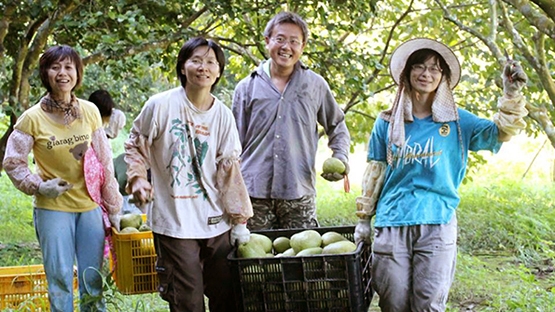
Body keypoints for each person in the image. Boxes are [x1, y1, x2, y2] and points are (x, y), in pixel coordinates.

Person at [353, 38, 528, 311]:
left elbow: (500, 132)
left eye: (435, 69)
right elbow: (375, 171)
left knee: (429, 305)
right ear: (407, 73)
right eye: (419, 67)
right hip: (392, 222)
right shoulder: (386, 122)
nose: (426, 74)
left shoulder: (457, 121)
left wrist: (511, 94)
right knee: (393, 303)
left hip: (437, 221)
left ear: (443, 77)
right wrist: (364, 220)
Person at [124, 37, 253, 312]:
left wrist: (240, 220)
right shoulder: (160, 105)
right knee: (188, 302)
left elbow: (230, 173)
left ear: (218, 72)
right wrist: (137, 178)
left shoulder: (223, 116)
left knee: (227, 298)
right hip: (176, 223)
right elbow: (136, 145)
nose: (203, 67)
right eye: (195, 60)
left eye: (210, 62)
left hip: (218, 223)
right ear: (183, 67)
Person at [2, 45, 123, 311]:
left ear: (77, 73)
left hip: (89, 207)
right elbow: (13, 162)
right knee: (60, 280)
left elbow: (104, 162)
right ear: (45, 73)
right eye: (55, 67)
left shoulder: (90, 111)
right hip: (52, 209)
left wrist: (114, 207)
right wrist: (40, 186)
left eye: (68, 67)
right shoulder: (31, 119)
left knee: (93, 279)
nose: (62, 73)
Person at [232, 11, 351, 230]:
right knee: (254, 261)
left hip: (298, 192)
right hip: (253, 195)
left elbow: (337, 125)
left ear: (302, 46)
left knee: (302, 259)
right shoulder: (246, 88)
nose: (286, 47)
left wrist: (340, 157)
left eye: (294, 41)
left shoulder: (314, 85)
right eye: (280, 39)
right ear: (267, 41)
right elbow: (233, 144)